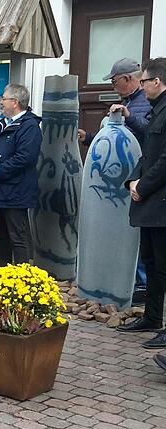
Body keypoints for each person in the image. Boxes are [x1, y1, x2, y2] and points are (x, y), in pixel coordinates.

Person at [78, 58, 151, 298]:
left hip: (139, 180)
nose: (112, 86)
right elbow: (112, 142)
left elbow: (147, 134)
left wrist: (128, 116)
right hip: (127, 180)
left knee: (134, 232)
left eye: (114, 81)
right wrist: (89, 137)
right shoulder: (130, 102)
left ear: (129, 79)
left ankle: (140, 284)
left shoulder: (143, 104)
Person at [118, 58, 166, 354]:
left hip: (160, 202)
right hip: (149, 200)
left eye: (145, 81)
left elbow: (164, 161)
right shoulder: (156, 111)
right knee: (151, 261)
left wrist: (143, 186)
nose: (142, 85)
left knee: (162, 266)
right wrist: (132, 182)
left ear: (157, 82)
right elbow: (147, 155)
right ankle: (151, 319)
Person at [0, 83, 42, 267]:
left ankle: (21, 279)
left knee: (18, 238)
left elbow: (24, 158)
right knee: (1, 238)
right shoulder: (2, 125)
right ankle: (3, 276)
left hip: (17, 192)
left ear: (15, 102)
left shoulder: (29, 126)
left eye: (4, 98)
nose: (1, 102)